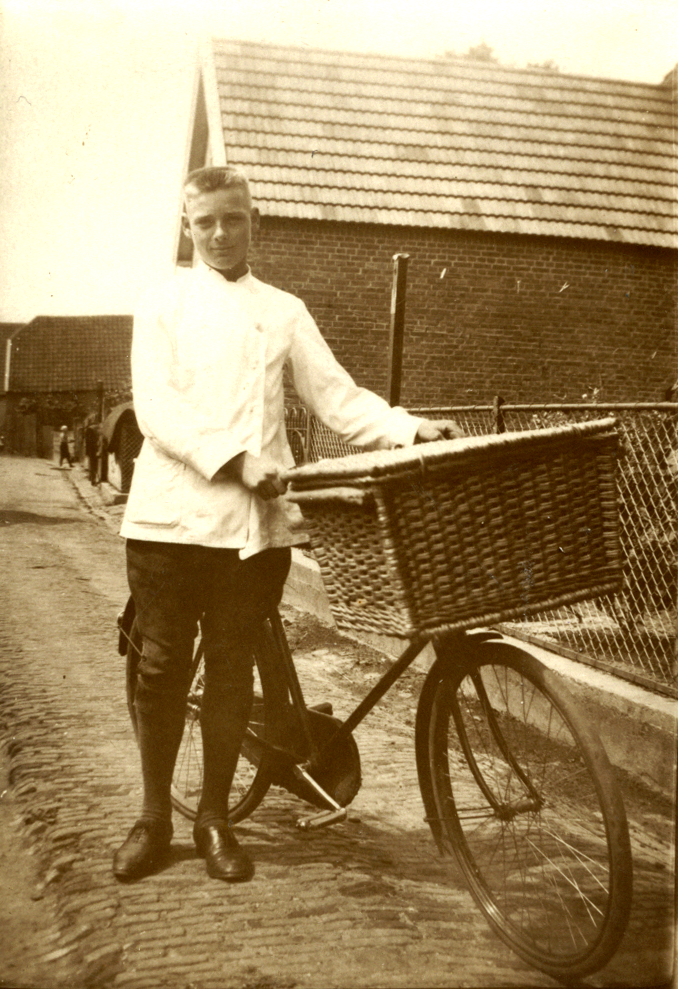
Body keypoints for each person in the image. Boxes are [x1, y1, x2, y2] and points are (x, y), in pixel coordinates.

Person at [114, 165, 462, 884]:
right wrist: (234, 459)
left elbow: (337, 396)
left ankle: (214, 816)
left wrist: (408, 428)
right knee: (162, 667)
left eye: (233, 219)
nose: (219, 232)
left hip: (253, 531)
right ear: (188, 226)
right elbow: (157, 408)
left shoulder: (283, 309)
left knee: (236, 670)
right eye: (205, 220)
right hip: (170, 523)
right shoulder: (163, 302)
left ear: (254, 222)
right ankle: (153, 815)